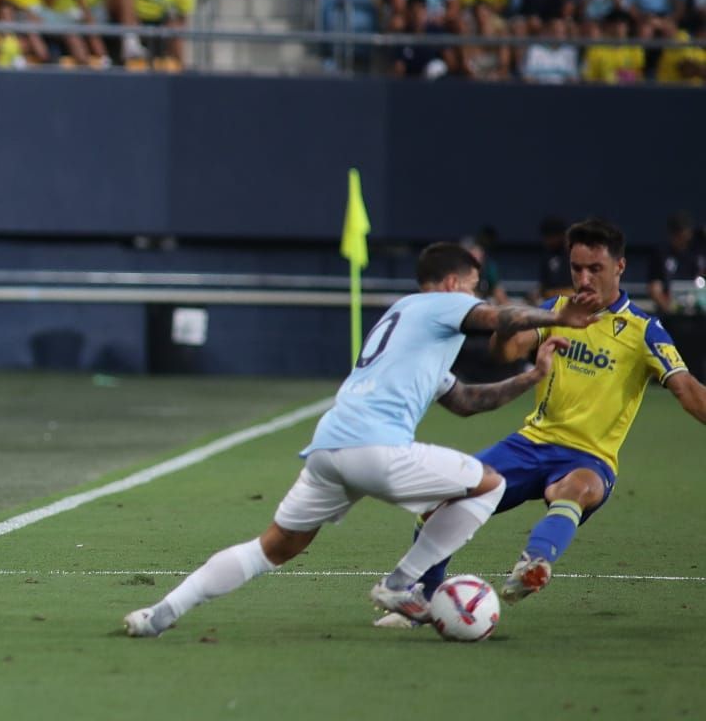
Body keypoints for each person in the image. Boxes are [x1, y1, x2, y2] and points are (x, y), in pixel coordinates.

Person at [123, 242, 598, 637]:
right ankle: (401, 583)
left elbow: (467, 400)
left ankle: (161, 613)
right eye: (474, 288)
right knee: (491, 484)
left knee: (273, 547)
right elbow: (501, 319)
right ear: (454, 283)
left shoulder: (410, 328)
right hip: (375, 448)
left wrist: (531, 376)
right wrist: (559, 318)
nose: (477, 298)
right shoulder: (442, 303)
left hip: (330, 448)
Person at [387, 220, 706, 619]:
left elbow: (688, 390)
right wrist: (507, 324)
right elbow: (505, 352)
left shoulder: (644, 331)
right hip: (530, 443)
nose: (584, 278)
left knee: (572, 489)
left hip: (589, 457)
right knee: (443, 499)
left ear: (620, 267)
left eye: (595, 269)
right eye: (577, 269)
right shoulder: (556, 311)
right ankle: (423, 599)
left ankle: (533, 564)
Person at [648, 211, 706, 315]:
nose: (683, 240)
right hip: (671, 313)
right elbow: (654, 287)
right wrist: (669, 308)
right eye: (679, 236)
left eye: (686, 235)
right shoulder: (661, 253)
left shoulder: (698, 250)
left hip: (699, 311)